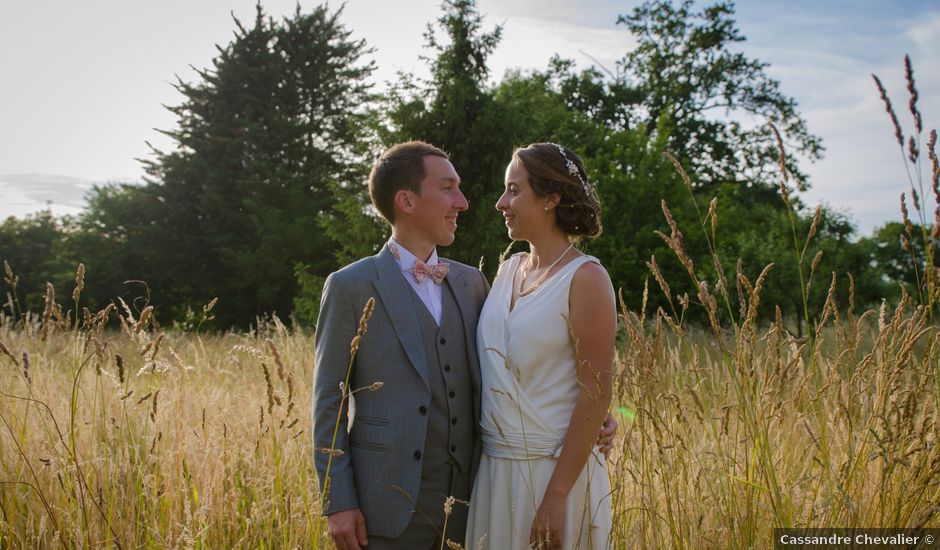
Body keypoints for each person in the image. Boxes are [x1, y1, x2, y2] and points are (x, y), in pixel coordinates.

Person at [313, 141, 616, 550]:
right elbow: (327, 402)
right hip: (383, 509)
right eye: (448, 188)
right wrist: (338, 501)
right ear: (406, 200)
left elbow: (548, 366)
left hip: (472, 500)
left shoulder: (472, 282)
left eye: (512, 189)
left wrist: (595, 415)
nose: (467, 202)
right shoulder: (350, 286)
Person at [465, 143, 615, 549]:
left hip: (555, 477)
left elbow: (597, 388)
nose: (500, 203)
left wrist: (556, 496)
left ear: (552, 198)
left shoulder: (586, 278)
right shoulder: (507, 270)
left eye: (513, 190)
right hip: (493, 473)